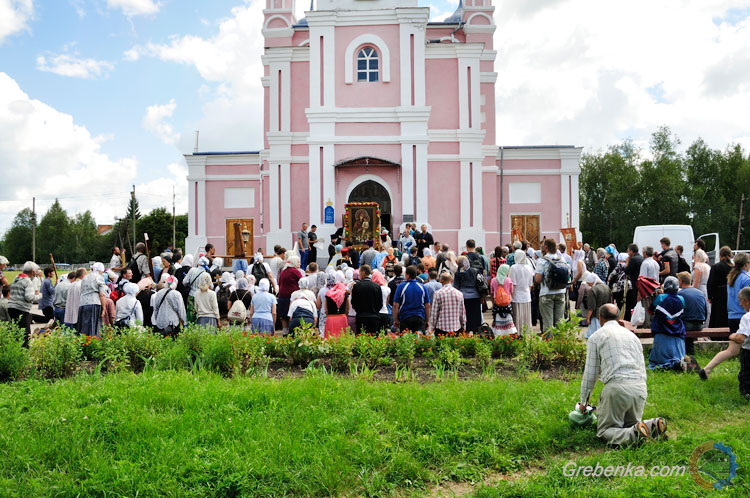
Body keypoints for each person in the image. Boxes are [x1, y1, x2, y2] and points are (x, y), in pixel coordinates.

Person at [579, 304, 667, 446]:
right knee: (631, 424)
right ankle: (650, 426)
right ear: (619, 318)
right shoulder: (633, 337)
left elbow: (590, 374)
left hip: (616, 388)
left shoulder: (596, 337)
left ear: (600, 318)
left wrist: (584, 402)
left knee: (605, 431)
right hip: (639, 388)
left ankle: (635, 434)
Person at [648, 276, 696, 371]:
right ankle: (679, 363)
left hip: (661, 331)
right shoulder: (681, 299)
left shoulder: (660, 297)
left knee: (659, 360)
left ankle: (666, 364)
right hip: (677, 332)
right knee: (679, 357)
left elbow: (650, 310)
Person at [535, 239, 568, 334]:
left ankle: (549, 346)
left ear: (546, 247)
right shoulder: (562, 259)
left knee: (548, 322)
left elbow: (538, 279)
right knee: (560, 321)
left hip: (547, 293)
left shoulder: (542, 261)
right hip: (561, 292)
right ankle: (560, 343)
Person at [7, 262, 40, 346]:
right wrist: (39, 296)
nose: (36, 274)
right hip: (21, 309)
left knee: (16, 332)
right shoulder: (27, 281)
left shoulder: (16, 278)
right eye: (36, 271)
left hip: (11, 307)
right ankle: (24, 353)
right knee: (25, 334)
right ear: (32, 271)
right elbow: (29, 297)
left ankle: (16, 350)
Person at [727, 287, 750, 398]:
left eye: (741, 300)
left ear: (747, 301)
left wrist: (733, 336)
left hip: (748, 352)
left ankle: (746, 394)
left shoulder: (747, 318)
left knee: (746, 375)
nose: (740, 304)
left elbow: (741, 338)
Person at [393, 266, 431, 333]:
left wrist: (395, 319)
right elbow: (427, 305)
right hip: (419, 317)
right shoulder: (422, 287)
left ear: (407, 275)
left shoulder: (401, 287)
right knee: (419, 341)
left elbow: (396, 304)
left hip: (405, 318)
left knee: (406, 341)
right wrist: (427, 320)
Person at [677, 271, 707, 356]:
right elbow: (705, 310)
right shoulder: (700, 293)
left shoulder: (680, 294)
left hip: (687, 325)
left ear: (681, 281)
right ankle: (690, 353)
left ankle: (683, 353)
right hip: (699, 324)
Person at [77, 262, 109, 337]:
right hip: (94, 303)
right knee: (93, 327)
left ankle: (83, 343)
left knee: (84, 327)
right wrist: (104, 308)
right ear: (100, 270)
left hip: (83, 304)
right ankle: (92, 344)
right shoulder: (99, 277)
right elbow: (102, 294)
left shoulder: (85, 277)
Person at [350, 265, 383, 335]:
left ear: (363, 272)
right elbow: (380, 303)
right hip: (374, 317)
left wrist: (359, 311)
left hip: (361, 317)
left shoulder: (356, 286)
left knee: (361, 340)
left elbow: (354, 303)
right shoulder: (377, 287)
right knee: (374, 340)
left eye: (360, 272)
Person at [453, 256, 482, 334]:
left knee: (465, 317)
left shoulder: (458, 273)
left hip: (463, 297)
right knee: (475, 318)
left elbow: (455, 286)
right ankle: (476, 335)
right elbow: (481, 284)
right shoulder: (475, 271)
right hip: (475, 297)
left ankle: (466, 334)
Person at [707, 246, 733, 328]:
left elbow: (711, 282)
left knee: (718, 314)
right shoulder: (733, 268)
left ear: (720, 255)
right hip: (730, 292)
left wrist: (710, 296)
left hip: (718, 293)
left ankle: (716, 334)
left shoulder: (715, 267)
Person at [277, 255, 303, 335]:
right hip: (291, 297)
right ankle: (291, 331)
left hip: (282, 296)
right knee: (291, 315)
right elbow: (302, 281)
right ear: (294, 262)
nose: (299, 264)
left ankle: (285, 331)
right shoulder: (295, 271)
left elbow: (279, 283)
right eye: (298, 262)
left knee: (283, 316)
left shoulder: (283, 271)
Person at [508, 249, 533, 334]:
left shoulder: (514, 268)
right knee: (526, 318)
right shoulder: (529, 268)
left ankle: (518, 335)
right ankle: (526, 334)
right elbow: (530, 285)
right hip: (526, 296)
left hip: (516, 297)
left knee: (517, 318)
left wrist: (510, 295)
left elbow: (512, 285)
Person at [637, 246, 660, 328]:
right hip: (655, 288)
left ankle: (647, 325)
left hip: (646, 289)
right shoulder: (656, 263)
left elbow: (641, 280)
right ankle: (653, 324)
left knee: (646, 308)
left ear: (645, 253)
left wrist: (639, 293)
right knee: (653, 308)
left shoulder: (645, 263)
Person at [490, 264, 517, 337]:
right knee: (508, 319)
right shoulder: (508, 280)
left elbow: (492, 293)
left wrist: (493, 302)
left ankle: (498, 335)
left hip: (497, 303)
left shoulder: (493, 280)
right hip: (507, 303)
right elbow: (511, 291)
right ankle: (508, 335)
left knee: (497, 319)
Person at [727, 252, 750, 335]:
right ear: (746, 264)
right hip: (743, 315)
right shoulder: (746, 279)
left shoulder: (731, 277)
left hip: (731, 315)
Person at [585, 273, 612, 339]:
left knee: (593, 336)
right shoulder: (607, 287)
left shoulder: (593, 290)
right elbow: (610, 302)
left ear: (592, 281)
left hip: (596, 315)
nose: (588, 285)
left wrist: (588, 318)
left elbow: (591, 306)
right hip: (605, 314)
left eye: (589, 283)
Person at [324, 272, 349, 338]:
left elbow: (326, 310)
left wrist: (328, 316)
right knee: (342, 339)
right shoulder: (345, 295)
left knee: (330, 338)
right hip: (342, 318)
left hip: (330, 319)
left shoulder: (328, 295)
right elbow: (347, 309)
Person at [624, 244, 643, 320]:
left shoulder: (633, 259)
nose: (628, 253)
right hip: (640, 283)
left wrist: (627, 262)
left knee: (635, 301)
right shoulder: (641, 258)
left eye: (628, 251)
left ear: (631, 251)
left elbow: (626, 271)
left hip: (635, 283)